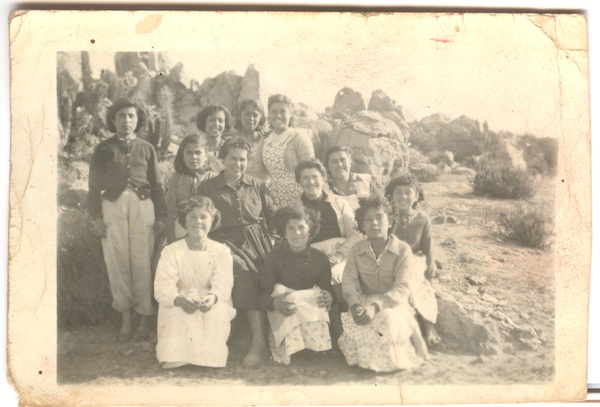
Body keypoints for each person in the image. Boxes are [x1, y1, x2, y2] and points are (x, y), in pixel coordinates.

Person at [88, 97, 166, 343]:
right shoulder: (103, 149)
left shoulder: (146, 147)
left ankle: (144, 316)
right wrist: (96, 217)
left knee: (142, 260)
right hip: (112, 206)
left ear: (138, 120)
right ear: (113, 119)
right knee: (117, 261)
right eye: (121, 116)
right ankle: (126, 317)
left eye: (131, 116)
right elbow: (92, 188)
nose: (126, 120)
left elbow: (157, 184)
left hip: (142, 205)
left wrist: (162, 215)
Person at [197, 137, 275, 367]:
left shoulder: (257, 185)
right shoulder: (208, 187)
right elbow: (201, 220)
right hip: (224, 242)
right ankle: (258, 342)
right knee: (241, 271)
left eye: (242, 159)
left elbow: (273, 218)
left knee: (269, 274)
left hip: (258, 241)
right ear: (222, 159)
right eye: (232, 158)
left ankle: (272, 337)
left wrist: (273, 241)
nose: (237, 164)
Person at [338, 196, 429, 373]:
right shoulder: (357, 249)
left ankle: (403, 351)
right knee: (360, 324)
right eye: (368, 219)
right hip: (366, 299)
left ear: (389, 221)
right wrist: (355, 305)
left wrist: (377, 306)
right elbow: (349, 280)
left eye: (379, 217)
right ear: (362, 226)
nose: (374, 223)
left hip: (393, 302)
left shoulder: (402, 249)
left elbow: (402, 287)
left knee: (387, 320)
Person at [154, 196, 235, 368]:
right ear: (184, 220)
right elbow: (163, 286)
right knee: (176, 311)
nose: (198, 221)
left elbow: (223, 283)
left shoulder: (221, 252)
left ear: (212, 220)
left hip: (210, 299)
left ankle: (207, 359)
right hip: (180, 298)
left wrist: (212, 297)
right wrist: (179, 299)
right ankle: (178, 358)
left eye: (203, 217)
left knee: (216, 311)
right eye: (192, 217)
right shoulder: (171, 251)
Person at [259, 205, 340, 365]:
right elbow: (263, 295)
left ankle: (314, 347)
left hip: (310, 310)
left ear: (310, 231)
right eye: (290, 228)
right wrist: (274, 302)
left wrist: (329, 297)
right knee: (283, 293)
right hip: (285, 309)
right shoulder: (273, 258)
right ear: (283, 233)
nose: (296, 233)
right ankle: (293, 348)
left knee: (317, 295)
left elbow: (327, 289)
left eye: (301, 227)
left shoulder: (320, 259)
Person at [294, 159, 362, 305]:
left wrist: (339, 255)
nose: (311, 182)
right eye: (305, 178)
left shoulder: (340, 203)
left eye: (315, 177)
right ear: (299, 182)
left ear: (323, 178)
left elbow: (355, 234)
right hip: (311, 256)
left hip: (341, 254)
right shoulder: (294, 209)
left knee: (336, 276)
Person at [385, 174, 440, 346]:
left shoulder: (422, 218)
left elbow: (429, 249)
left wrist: (430, 277)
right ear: (391, 196)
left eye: (408, 193)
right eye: (398, 193)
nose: (402, 197)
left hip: (415, 260)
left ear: (416, 196)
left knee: (419, 285)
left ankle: (429, 326)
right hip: (392, 259)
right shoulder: (386, 216)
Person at [248, 94, 314, 208]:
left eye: (283, 111)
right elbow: (257, 171)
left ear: (291, 114)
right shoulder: (265, 139)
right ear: (269, 114)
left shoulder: (299, 137)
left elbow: (311, 170)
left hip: (299, 195)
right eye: (274, 111)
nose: (278, 115)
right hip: (273, 196)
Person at [165, 135, 217, 243]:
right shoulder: (176, 178)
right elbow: (169, 211)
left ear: (206, 156)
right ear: (183, 157)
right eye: (189, 153)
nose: (194, 157)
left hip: (207, 228)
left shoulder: (214, 178)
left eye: (198, 152)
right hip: (181, 226)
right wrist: (171, 238)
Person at [323, 145, 381, 211]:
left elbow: (382, 206)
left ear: (350, 162)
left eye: (343, 160)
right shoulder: (323, 187)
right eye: (334, 161)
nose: (339, 164)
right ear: (328, 165)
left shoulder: (366, 181)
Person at [196, 104, 234, 174]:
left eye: (220, 120)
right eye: (212, 120)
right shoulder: (197, 147)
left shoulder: (229, 148)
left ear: (225, 124)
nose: (216, 124)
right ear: (204, 123)